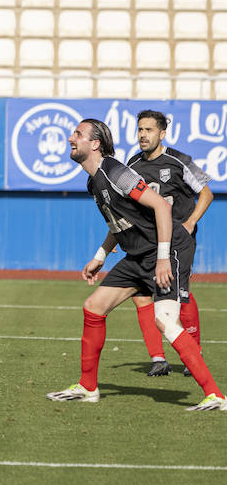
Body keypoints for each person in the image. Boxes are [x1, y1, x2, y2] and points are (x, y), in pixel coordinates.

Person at [47, 118, 224, 410]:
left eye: (77, 134)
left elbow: (161, 207)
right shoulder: (94, 180)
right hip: (138, 256)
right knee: (93, 307)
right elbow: (120, 224)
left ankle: (215, 395)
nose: (71, 138)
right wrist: (100, 256)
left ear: (95, 144)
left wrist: (164, 258)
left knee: (165, 321)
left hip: (167, 250)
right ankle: (88, 387)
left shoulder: (115, 171)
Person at [112, 110, 212, 377]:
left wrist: (190, 223)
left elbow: (206, 193)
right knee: (141, 294)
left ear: (162, 133)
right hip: (147, 239)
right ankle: (158, 358)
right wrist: (117, 236)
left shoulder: (179, 161)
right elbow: (126, 206)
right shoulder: (132, 164)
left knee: (178, 293)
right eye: (140, 130)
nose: (143, 135)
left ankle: (195, 352)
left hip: (178, 240)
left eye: (149, 130)